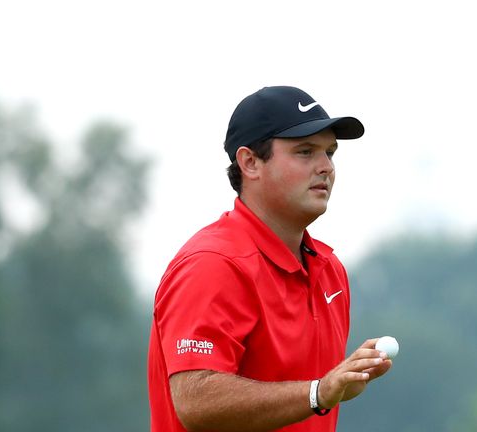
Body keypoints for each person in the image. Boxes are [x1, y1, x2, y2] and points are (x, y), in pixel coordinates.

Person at [147, 86, 393, 432]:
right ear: (250, 162)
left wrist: (326, 389)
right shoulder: (212, 263)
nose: (326, 167)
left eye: (330, 152)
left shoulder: (329, 269)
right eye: (305, 152)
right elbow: (195, 400)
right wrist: (319, 392)